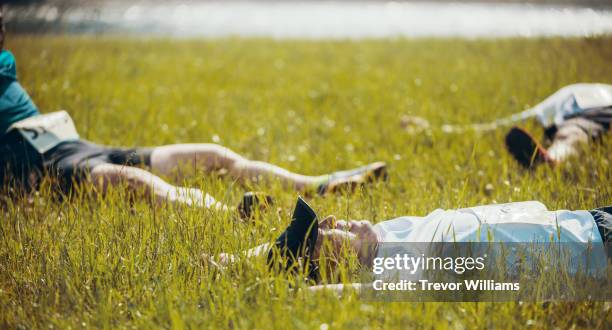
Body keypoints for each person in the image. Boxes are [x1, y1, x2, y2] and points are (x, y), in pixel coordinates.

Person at [0, 18, 386, 217]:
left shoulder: (6, 62)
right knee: (136, 182)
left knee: (213, 155)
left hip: (75, 144)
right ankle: (232, 216)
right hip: (43, 166)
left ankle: (321, 185)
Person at [214, 197, 611, 287]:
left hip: (583, 218)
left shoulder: (388, 237)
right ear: (331, 263)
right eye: (322, 233)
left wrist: (231, 260)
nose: (334, 220)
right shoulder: (404, 271)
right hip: (598, 243)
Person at [502, 84, 612, 168]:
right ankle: (552, 157)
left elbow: (532, 113)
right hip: (589, 118)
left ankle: (553, 157)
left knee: (572, 135)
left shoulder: (569, 92)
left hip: (584, 117)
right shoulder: (600, 89)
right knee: (573, 135)